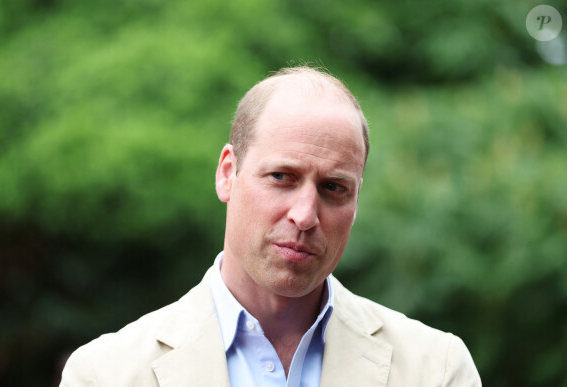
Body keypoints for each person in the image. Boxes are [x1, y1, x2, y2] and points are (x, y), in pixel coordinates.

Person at [60, 66, 481, 386]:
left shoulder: (435, 369)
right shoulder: (105, 374)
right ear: (228, 173)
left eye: (334, 187)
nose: (305, 214)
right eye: (282, 177)